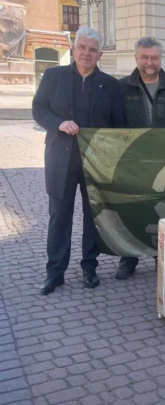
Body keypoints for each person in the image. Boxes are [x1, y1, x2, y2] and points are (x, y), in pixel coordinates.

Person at [32, 27, 125, 295]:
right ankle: (55, 272)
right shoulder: (53, 76)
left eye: (92, 50)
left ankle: (89, 267)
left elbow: (118, 127)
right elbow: (39, 109)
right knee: (59, 217)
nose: (87, 53)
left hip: (95, 164)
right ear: (74, 49)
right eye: (82, 47)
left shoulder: (110, 85)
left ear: (100, 54)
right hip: (61, 161)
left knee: (92, 217)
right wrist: (58, 123)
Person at [116, 36, 165, 280]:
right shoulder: (121, 87)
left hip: (164, 161)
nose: (149, 62)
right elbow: (114, 123)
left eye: (154, 57)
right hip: (132, 161)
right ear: (136, 58)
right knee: (132, 209)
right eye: (144, 57)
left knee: (163, 210)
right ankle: (128, 257)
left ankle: (161, 255)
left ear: (160, 59)